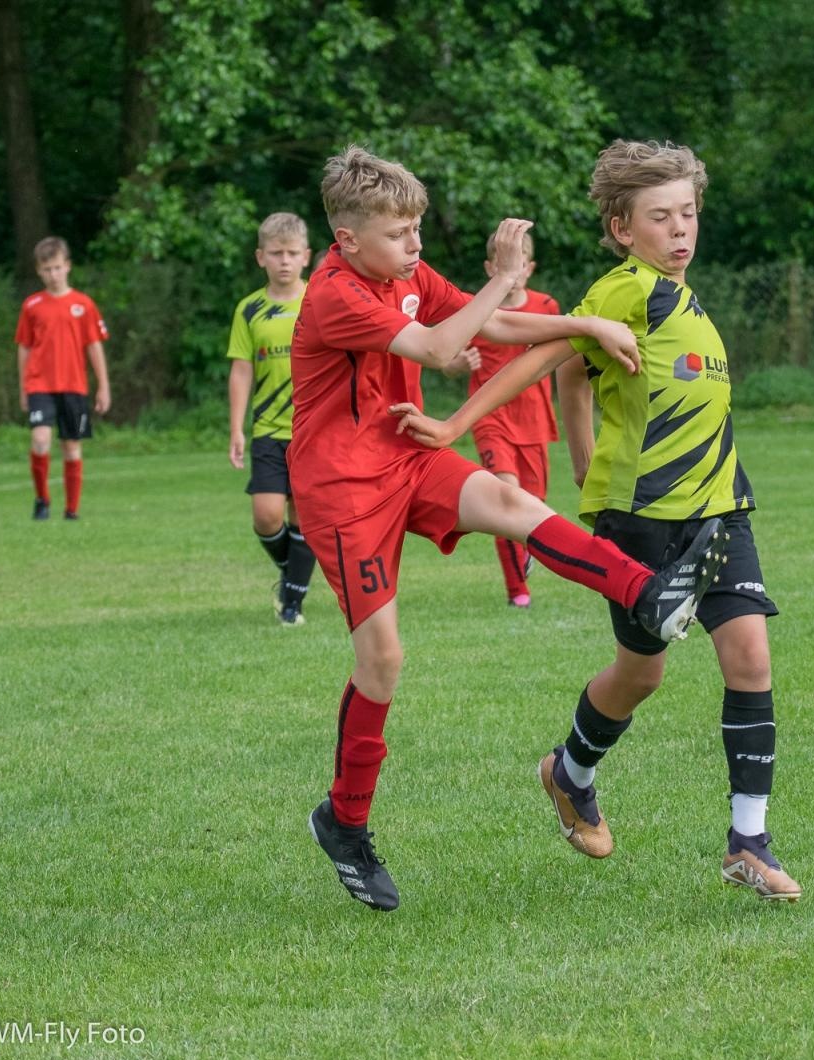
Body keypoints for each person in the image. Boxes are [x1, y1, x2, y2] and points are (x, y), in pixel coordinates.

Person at [294, 145, 728, 912]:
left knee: (511, 502)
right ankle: (345, 821)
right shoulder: (333, 293)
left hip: (407, 448)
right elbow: (439, 342)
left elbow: (492, 326)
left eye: (417, 231)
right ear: (348, 239)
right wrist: (504, 275)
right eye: (400, 236)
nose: (415, 248)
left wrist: (587, 321)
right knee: (384, 662)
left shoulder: (400, 275)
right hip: (341, 489)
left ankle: (651, 594)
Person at [392, 140, 801, 903]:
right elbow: (551, 360)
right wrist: (455, 427)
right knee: (640, 673)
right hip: (645, 515)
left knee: (750, 659)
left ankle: (750, 840)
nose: (680, 230)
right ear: (622, 227)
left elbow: (582, 379)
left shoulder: (686, 299)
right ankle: (569, 772)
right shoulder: (626, 291)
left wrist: (579, 445)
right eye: (660, 217)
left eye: (688, 214)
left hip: (721, 508)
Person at [459, 229, 562, 608]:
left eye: (518, 264)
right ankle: (518, 592)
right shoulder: (478, 309)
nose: (512, 271)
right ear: (490, 268)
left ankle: (527, 549)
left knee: (531, 505)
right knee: (505, 497)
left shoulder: (547, 307)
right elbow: (450, 355)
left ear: (529, 268)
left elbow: (562, 355)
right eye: (503, 264)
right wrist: (458, 363)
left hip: (533, 419)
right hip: (490, 416)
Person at [226, 212, 318, 625]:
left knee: (306, 517)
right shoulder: (249, 310)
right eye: (276, 253)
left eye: (292, 253)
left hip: (314, 431)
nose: (284, 261)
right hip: (268, 431)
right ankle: (292, 574)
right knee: (266, 516)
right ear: (260, 257)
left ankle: (291, 606)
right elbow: (241, 370)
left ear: (306, 257)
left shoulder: (321, 301)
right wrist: (236, 428)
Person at [15, 236, 111, 521]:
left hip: (73, 385)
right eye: (47, 269)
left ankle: (72, 510)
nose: (53, 274)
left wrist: (103, 386)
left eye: (57, 268)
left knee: (71, 446)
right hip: (39, 384)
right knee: (41, 439)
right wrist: (23, 387)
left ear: (67, 266)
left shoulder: (83, 304)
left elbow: (94, 346)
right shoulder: (32, 305)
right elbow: (24, 347)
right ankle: (42, 500)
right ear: (38, 271)